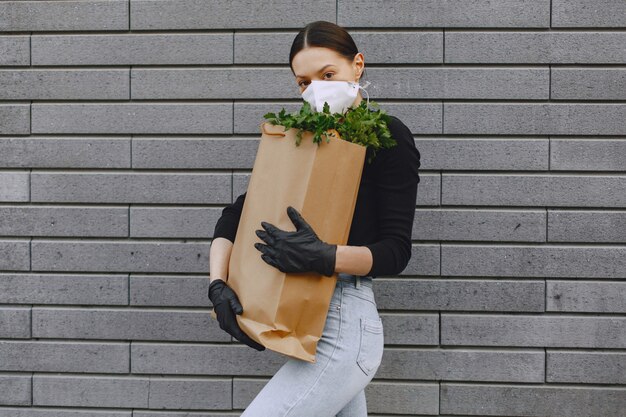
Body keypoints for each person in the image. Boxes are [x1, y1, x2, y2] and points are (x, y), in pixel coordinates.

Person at [208, 20, 421, 417]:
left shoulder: (389, 136)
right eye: (304, 82)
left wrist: (324, 256)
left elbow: (396, 251)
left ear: (357, 66)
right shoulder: (299, 140)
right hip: (305, 321)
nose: (316, 89)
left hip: (344, 325)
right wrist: (217, 285)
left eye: (328, 75)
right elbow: (236, 215)